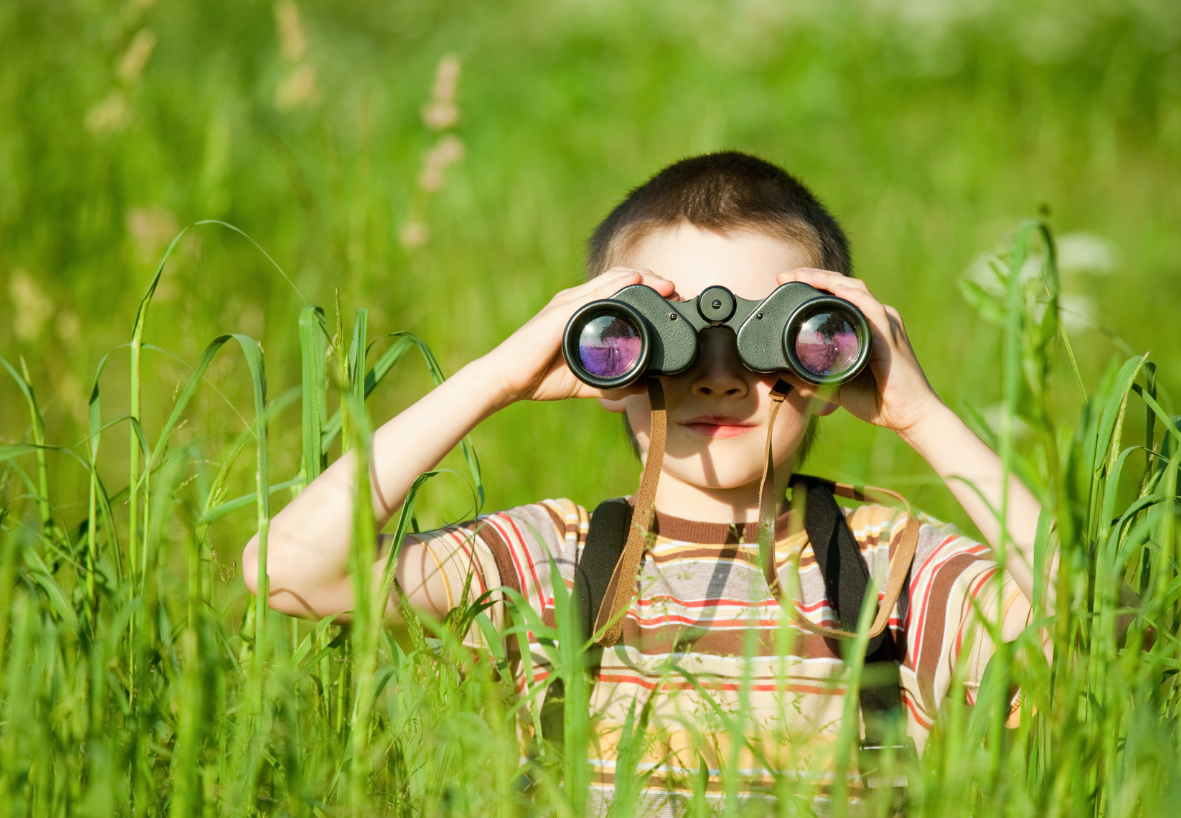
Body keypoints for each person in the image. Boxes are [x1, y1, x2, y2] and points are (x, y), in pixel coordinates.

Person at [242, 151, 1042, 813]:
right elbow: (291, 572)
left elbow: (1102, 631)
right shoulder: (554, 560)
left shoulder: (895, 570)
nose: (720, 378)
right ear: (609, 354)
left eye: (773, 339)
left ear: (833, 354)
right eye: (673, 340)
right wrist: (499, 374)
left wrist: (919, 411)